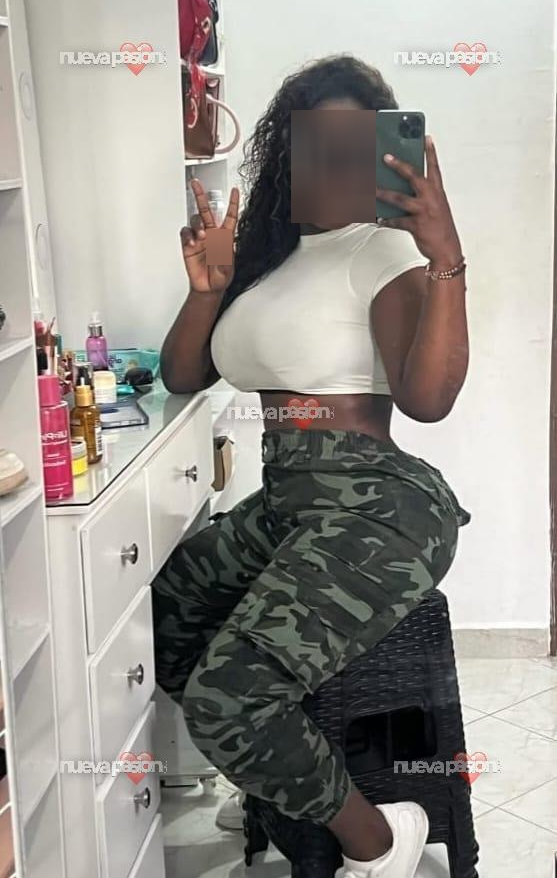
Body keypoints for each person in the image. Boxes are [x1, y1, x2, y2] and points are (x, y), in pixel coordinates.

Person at [153, 54, 471, 878]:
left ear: (385, 156)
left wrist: (445, 257)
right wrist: (209, 289)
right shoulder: (271, 258)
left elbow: (429, 399)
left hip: (378, 506)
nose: (330, 168)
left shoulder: (386, 253)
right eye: (313, 147)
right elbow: (184, 374)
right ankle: (279, 781)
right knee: (168, 615)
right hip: (288, 498)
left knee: (230, 693)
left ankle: (379, 838)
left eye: (351, 150)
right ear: (285, 154)